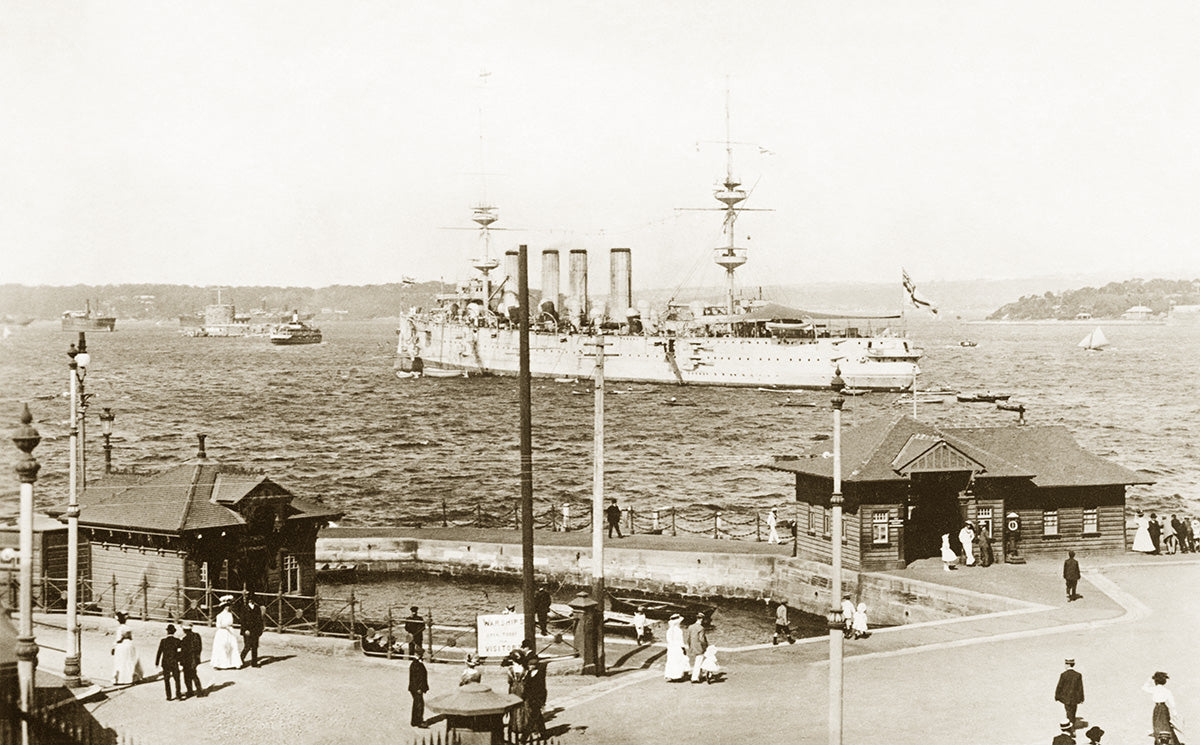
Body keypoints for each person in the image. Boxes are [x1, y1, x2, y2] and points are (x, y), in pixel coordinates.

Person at [1143, 671, 1182, 745]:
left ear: (1155, 681)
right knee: (1165, 726)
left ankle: (1161, 742)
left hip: (1157, 709)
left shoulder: (1154, 689)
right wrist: (1175, 713)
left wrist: (1149, 680)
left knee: (1158, 726)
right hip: (1164, 708)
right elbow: (1172, 703)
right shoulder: (1167, 691)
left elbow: (1144, 688)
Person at [112, 612, 143, 686]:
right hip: (129, 644)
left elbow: (119, 639)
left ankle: (121, 679)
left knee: (121, 662)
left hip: (122, 646)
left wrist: (114, 646)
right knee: (130, 661)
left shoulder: (120, 629)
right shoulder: (129, 628)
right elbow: (131, 637)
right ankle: (133, 678)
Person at [211, 596, 241, 670]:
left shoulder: (230, 614)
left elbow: (231, 622)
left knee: (232, 646)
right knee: (222, 647)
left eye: (229, 606)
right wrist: (225, 626)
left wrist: (230, 628)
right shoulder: (220, 615)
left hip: (230, 632)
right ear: (223, 607)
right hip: (222, 632)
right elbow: (218, 625)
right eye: (226, 606)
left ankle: (233, 663)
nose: (228, 608)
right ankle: (219, 664)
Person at [1055, 658, 1084, 728]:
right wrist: (1081, 698)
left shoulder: (1063, 675)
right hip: (1075, 698)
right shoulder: (1078, 675)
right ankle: (1072, 724)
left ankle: (1070, 728)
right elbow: (1080, 688)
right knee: (1073, 712)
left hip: (1066, 698)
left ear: (1068, 665)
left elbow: (1060, 686)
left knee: (1068, 712)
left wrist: (1057, 696)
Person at [155, 624, 182, 701]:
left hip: (165, 662)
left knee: (166, 680)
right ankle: (178, 694)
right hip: (174, 662)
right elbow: (181, 651)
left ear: (167, 632)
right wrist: (179, 659)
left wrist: (157, 662)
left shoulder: (163, 641)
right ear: (174, 632)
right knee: (177, 679)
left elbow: (159, 652)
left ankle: (169, 696)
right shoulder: (177, 641)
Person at [180, 622, 204, 699]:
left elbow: (183, 652)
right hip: (195, 659)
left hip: (187, 660)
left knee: (187, 676)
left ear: (184, 630)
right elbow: (199, 648)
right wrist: (197, 657)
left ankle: (190, 691)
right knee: (194, 675)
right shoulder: (197, 636)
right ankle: (199, 690)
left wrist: (181, 660)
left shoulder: (185, 639)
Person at [663, 614, 689, 681]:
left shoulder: (669, 630)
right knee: (678, 661)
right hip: (677, 647)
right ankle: (676, 675)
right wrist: (683, 648)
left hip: (671, 647)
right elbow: (680, 640)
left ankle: (670, 675)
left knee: (671, 661)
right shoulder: (678, 630)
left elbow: (668, 640)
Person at [241, 595, 264, 668]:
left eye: (252, 599)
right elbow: (242, 620)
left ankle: (254, 663)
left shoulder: (257, 608)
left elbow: (260, 619)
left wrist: (260, 629)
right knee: (247, 646)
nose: (251, 601)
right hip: (247, 630)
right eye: (250, 599)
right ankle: (240, 659)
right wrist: (245, 629)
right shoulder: (244, 608)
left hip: (255, 630)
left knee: (255, 646)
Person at [686, 614, 708, 683]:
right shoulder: (701, 628)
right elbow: (702, 639)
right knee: (698, 661)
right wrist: (705, 646)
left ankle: (699, 675)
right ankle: (695, 677)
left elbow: (688, 638)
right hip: (699, 647)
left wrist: (690, 646)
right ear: (702, 619)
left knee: (698, 661)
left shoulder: (690, 627)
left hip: (693, 646)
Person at [408, 655, 429, 728]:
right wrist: (419, 688)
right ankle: (419, 722)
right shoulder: (416, 664)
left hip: (415, 688)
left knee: (417, 703)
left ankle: (414, 721)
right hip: (417, 689)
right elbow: (416, 678)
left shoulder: (415, 663)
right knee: (419, 705)